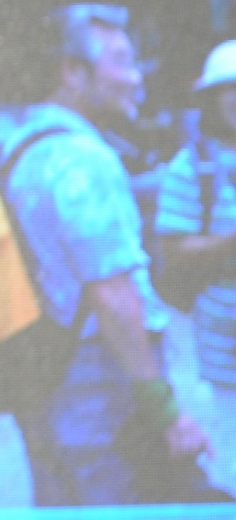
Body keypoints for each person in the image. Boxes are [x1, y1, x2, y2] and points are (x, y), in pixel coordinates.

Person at [0, 4, 212, 505]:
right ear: (73, 72)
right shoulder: (82, 159)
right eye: (122, 62)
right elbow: (113, 292)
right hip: (99, 385)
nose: (137, 78)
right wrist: (167, 413)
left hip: (45, 370)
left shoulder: (22, 145)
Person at [154, 40, 236, 491]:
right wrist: (229, 243)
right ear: (212, 99)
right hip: (227, 336)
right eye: (229, 90)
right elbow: (174, 248)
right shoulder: (193, 167)